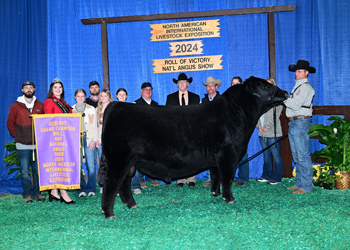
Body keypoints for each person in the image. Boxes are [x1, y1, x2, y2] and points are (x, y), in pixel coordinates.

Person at [7, 81, 45, 203]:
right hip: (22, 144)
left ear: (34, 90)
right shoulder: (15, 106)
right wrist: (18, 136)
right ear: (22, 90)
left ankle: (37, 193)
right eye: (26, 88)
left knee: (37, 170)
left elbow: (44, 122)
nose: (29, 90)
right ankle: (27, 194)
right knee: (24, 171)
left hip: (37, 144)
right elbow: (10, 123)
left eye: (31, 88)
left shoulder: (40, 104)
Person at [284, 60, 315, 194]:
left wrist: (283, 98)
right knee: (297, 155)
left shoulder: (306, 87)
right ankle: (300, 183)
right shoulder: (298, 87)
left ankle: (306, 186)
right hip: (294, 122)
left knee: (302, 155)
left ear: (306, 73)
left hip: (300, 122)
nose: (297, 74)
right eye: (296, 71)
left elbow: (295, 104)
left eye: (300, 71)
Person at [43, 78, 75, 204]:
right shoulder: (49, 102)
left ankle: (54, 191)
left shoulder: (64, 103)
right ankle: (63, 192)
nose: (58, 89)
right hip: (56, 138)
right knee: (60, 165)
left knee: (60, 165)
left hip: (65, 137)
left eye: (60, 87)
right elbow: (49, 120)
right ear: (51, 89)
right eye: (55, 87)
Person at [166, 73, 200, 187]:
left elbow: (198, 115)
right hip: (176, 131)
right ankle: (180, 179)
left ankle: (191, 179)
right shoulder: (170, 98)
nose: (182, 84)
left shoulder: (196, 98)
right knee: (178, 155)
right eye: (180, 82)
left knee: (192, 154)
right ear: (177, 84)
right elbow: (167, 115)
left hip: (192, 130)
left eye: (184, 82)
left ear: (188, 84)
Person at [132, 82, 160, 194]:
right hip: (141, 136)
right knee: (139, 157)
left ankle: (150, 178)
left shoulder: (156, 104)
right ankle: (139, 179)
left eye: (150, 89)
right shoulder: (136, 104)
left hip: (153, 136)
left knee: (152, 157)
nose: (148, 91)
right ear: (141, 91)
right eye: (145, 89)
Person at [256, 78, 284, 185]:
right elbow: (256, 113)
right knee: (266, 155)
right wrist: (258, 126)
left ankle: (277, 177)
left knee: (275, 155)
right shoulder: (259, 99)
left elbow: (276, 116)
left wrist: (267, 126)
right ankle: (266, 175)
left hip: (273, 132)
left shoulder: (277, 99)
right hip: (261, 132)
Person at [72, 89, 98, 197]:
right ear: (75, 97)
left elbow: (95, 126)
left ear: (85, 97)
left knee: (91, 165)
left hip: (88, 138)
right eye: (78, 96)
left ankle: (91, 187)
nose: (81, 98)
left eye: (83, 96)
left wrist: (93, 140)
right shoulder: (71, 110)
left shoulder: (91, 109)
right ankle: (81, 188)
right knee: (77, 165)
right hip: (76, 140)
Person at [201, 76, 222, 188]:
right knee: (210, 156)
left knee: (220, 156)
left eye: (212, 85)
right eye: (208, 85)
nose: (210, 87)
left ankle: (221, 180)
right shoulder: (203, 101)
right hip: (207, 132)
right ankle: (210, 179)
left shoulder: (221, 99)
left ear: (216, 87)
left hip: (219, 132)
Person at [231, 76, 250, 186]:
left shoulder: (245, 98)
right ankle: (233, 177)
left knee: (243, 152)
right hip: (232, 128)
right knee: (232, 153)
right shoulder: (230, 97)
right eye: (233, 83)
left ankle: (244, 178)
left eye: (236, 83)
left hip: (241, 128)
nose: (234, 85)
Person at [96, 89, 114, 173]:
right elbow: (95, 126)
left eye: (105, 96)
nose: (103, 98)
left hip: (111, 139)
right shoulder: (97, 110)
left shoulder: (113, 109)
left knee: (111, 161)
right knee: (101, 161)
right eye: (101, 96)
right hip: (100, 138)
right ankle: (102, 182)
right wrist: (97, 139)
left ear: (109, 98)